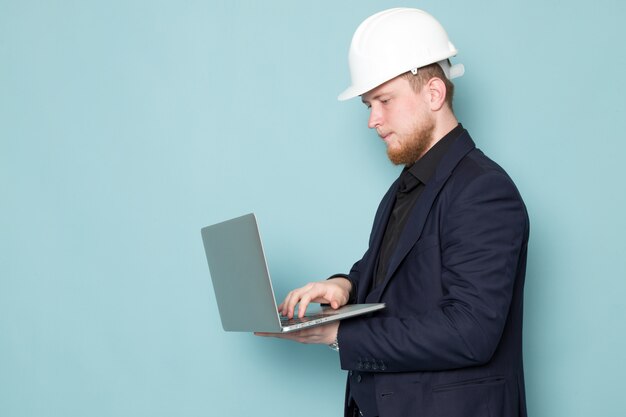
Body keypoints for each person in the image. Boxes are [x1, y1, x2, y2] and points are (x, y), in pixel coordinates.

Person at [256, 8, 529, 417]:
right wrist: (345, 286)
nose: (372, 120)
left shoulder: (483, 191)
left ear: (434, 93)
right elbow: (389, 271)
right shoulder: (407, 185)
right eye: (368, 104)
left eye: (384, 100)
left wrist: (340, 334)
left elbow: (471, 332)